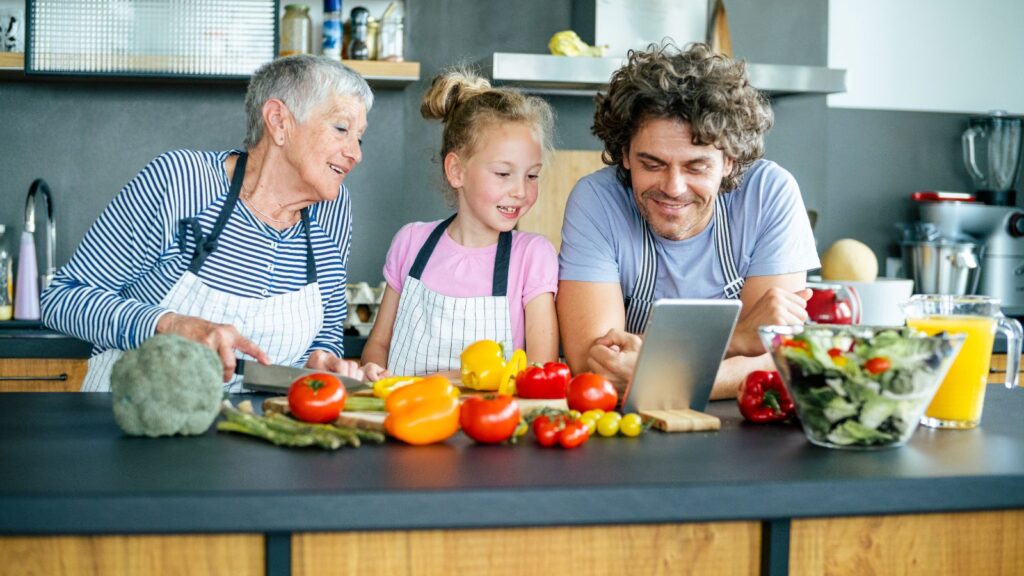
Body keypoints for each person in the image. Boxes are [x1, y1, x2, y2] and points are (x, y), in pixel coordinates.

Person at [41, 55, 371, 392]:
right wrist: (169, 325)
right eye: (341, 129)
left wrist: (321, 359)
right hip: (129, 421)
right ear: (279, 121)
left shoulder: (332, 211)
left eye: (359, 137)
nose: (355, 153)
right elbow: (63, 300)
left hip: (251, 431)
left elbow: (327, 332)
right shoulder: (182, 182)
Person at [557, 43, 819, 399]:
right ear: (625, 154)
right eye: (652, 164)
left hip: (742, 428)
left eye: (696, 166)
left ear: (729, 160)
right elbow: (596, 366)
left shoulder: (768, 194)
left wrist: (651, 374)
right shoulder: (597, 201)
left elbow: (777, 360)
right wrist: (738, 338)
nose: (673, 188)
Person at [360, 70, 559, 380]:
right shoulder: (411, 242)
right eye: (504, 173)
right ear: (456, 171)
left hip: (489, 426)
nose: (521, 190)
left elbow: (540, 373)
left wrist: (438, 381)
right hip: (404, 420)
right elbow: (378, 345)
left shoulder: (532, 256)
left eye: (531, 175)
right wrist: (372, 370)